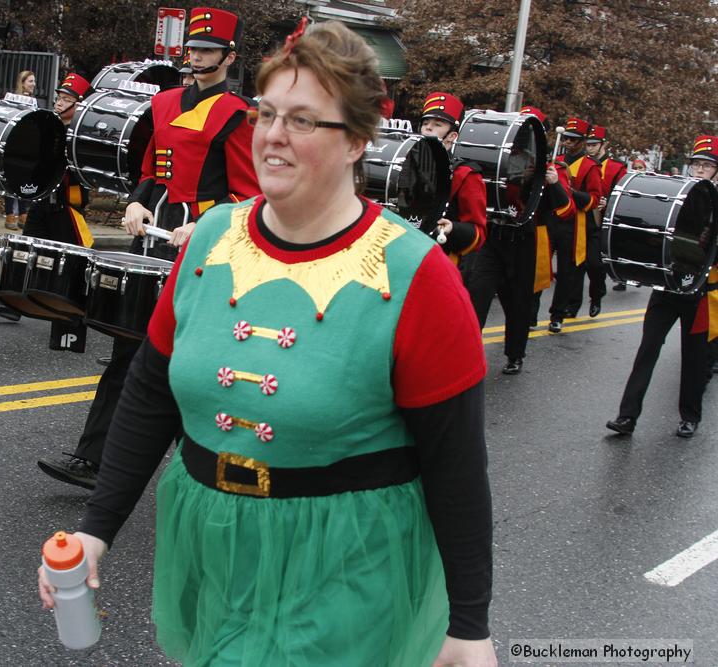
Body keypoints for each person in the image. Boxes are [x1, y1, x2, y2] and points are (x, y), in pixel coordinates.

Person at [38, 21, 496, 667]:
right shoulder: (209, 237)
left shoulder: (417, 273)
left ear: (356, 142)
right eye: (266, 114)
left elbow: (456, 463)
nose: (273, 137)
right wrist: (96, 533)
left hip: (343, 556)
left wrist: (469, 624)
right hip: (211, 535)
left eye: (304, 121)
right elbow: (149, 392)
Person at [38, 7, 260, 490]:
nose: (195, 55)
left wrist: (204, 223)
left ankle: (208, 470)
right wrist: (137, 203)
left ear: (228, 57)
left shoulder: (239, 115)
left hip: (207, 242)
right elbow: (150, 169)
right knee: (129, 346)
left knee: (193, 361)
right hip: (158, 233)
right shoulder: (163, 104)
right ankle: (92, 460)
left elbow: (247, 193)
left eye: (205, 50)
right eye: (193, 47)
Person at [606, 136, 718, 439]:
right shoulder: (678, 194)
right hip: (666, 286)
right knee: (647, 350)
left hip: (699, 291)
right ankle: (627, 417)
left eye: (707, 166)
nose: (699, 170)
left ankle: (689, 416)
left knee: (694, 358)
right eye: (696, 164)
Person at [468, 105, 575, 375]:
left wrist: (551, 183)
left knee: (518, 305)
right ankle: (465, 354)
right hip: (494, 238)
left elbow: (566, 210)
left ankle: (515, 355)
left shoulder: (549, 167)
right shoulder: (498, 157)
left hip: (524, 241)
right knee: (477, 297)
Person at [0, 72, 94, 323]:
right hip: (43, 202)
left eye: (66, 99)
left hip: (67, 206)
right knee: (24, 252)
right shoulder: (47, 125)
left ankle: (85, 308)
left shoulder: (82, 134)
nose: (59, 103)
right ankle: (12, 304)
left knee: (79, 259)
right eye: (59, 98)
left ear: (80, 104)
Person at [544, 117, 603, 332]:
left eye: (573, 139)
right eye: (566, 138)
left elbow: (594, 199)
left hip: (574, 224)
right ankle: (530, 313)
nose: (568, 142)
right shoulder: (555, 160)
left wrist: (571, 193)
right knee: (540, 265)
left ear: (583, 141)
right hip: (551, 218)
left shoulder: (591, 166)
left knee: (567, 272)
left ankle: (558, 314)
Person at [417, 91, 487, 271]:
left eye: (437, 124)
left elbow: (478, 233)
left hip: (440, 262)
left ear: (452, 136)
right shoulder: (404, 165)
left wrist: (453, 229)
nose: (428, 128)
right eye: (425, 123)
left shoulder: (465, 174)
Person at [577, 124, 628, 310]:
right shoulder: (580, 163)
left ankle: (596, 296)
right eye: (587, 144)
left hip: (601, 221)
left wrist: (609, 204)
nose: (589, 148)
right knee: (575, 266)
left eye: (593, 144)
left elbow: (623, 194)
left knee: (595, 264)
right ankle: (570, 306)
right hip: (580, 218)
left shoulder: (616, 168)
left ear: (603, 144)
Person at [3, 70, 37, 231]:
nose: (33, 84)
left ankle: (23, 212)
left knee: (24, 180)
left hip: (27, 146)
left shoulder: (34, 101)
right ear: (22, 82)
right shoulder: (12, 99)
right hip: (13, 145)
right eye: (30, 81)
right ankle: (10, 213)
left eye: (34, 81)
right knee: (11, 180)